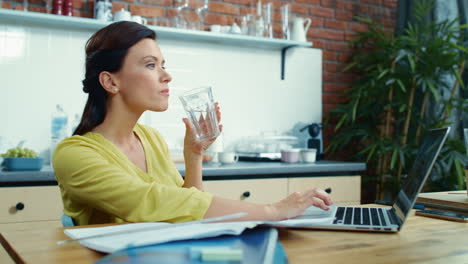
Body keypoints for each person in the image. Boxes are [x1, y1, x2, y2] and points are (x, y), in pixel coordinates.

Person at [53, 21, 333, 226]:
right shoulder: (74, 154)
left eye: (163, 64)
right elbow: (153, 202)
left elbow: (186, 213)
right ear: (110, 81)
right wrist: (274, 211)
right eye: (151, 65)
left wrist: (194, 155)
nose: (167, 76)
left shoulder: (150, 138)